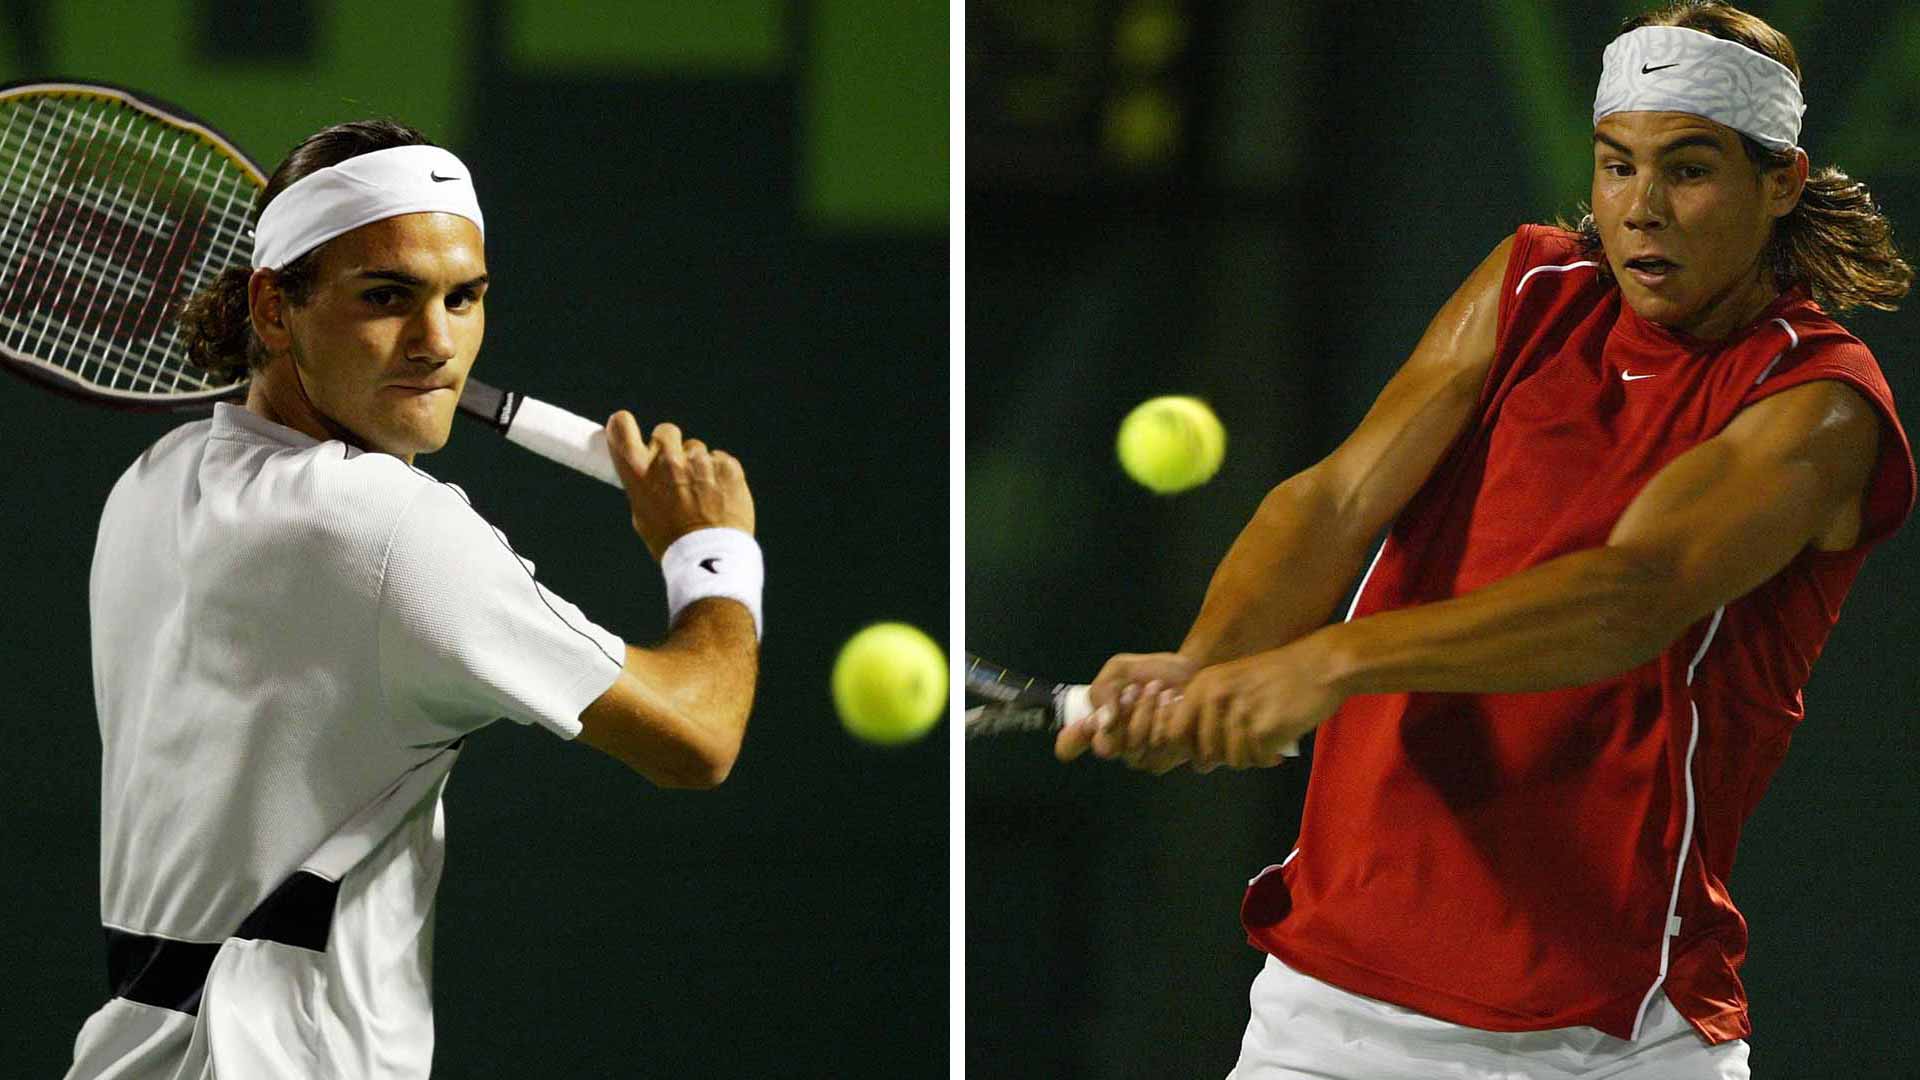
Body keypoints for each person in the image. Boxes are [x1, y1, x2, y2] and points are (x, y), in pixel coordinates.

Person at [1055, 4, 1912, 1078]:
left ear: (1778, 181)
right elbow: (1335, 499)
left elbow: (1628, 598)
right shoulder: (1529, 288)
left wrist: (1330, 661)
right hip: (1329, 1016)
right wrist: (1207, 660)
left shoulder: (1819, 405)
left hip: (1610, 1041)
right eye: (1616, 166)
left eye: (1687, 170)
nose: (1641, 210)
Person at [63, 120, 763, 1078]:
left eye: (463, 297)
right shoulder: (381, 527)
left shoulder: (155, 480)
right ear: (274, 308)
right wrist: (712, 553)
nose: (437, 343)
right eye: (387, 297)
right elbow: (699, 736)